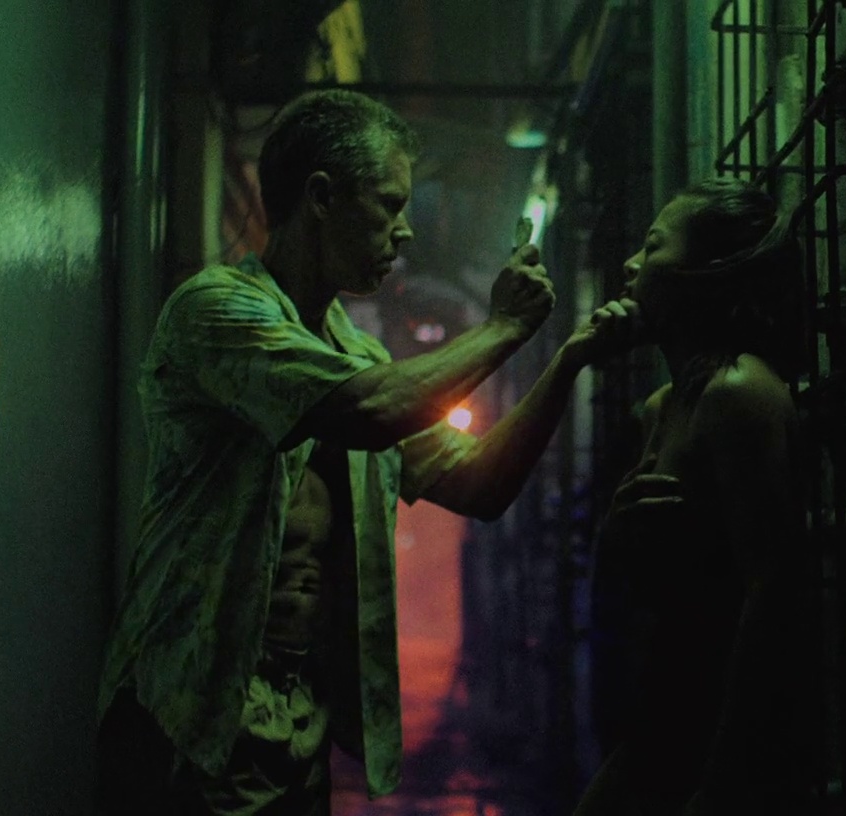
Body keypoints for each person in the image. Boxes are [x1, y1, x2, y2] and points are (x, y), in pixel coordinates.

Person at [93, 88, 639, 815]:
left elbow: (478, 484)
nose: (404, 231)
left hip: (297, 719)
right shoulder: (217, 311)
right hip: (188, 715)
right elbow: (369, 410)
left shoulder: (358, 355)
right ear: (322, 197)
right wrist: (503, 328)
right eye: (389, 205)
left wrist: (567, 361)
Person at [577, 178, 816, 815]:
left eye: (654, 246)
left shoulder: (738, 393)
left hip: (713, 728)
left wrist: (725, 776)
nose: (631, 264)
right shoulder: (663, 405)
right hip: (660, 716)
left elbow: (773, 588)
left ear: (706, 274)